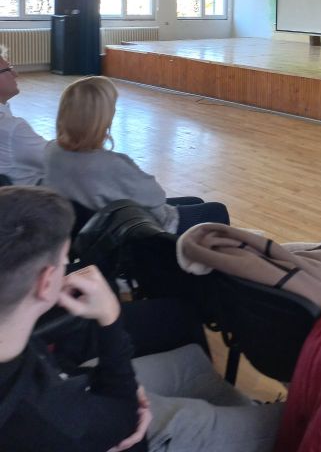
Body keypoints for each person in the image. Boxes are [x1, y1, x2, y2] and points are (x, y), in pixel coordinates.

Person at [0, 186, 283, 452]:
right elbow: (126, 421)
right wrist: (109, 317)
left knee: (191, 362)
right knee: (285, 422)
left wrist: (112, 385)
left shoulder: (13, 338)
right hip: (112, 423)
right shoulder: (49, 416)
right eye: (65, 260)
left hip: (86, 391)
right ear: (46, 282)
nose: (68, 267)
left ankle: (236, 412)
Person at [43, 76, 227, 234]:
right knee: (218, 210)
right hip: (136, 230)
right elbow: (155, 195)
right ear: (100, 118)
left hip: (92, 228)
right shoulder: (110, 163)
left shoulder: (52, 150)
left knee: (196, 201)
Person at [0, 51, 47, 184]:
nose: (15, 74)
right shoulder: (12, 128)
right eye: (8, 69)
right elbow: (56, 159)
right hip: (29, 194)